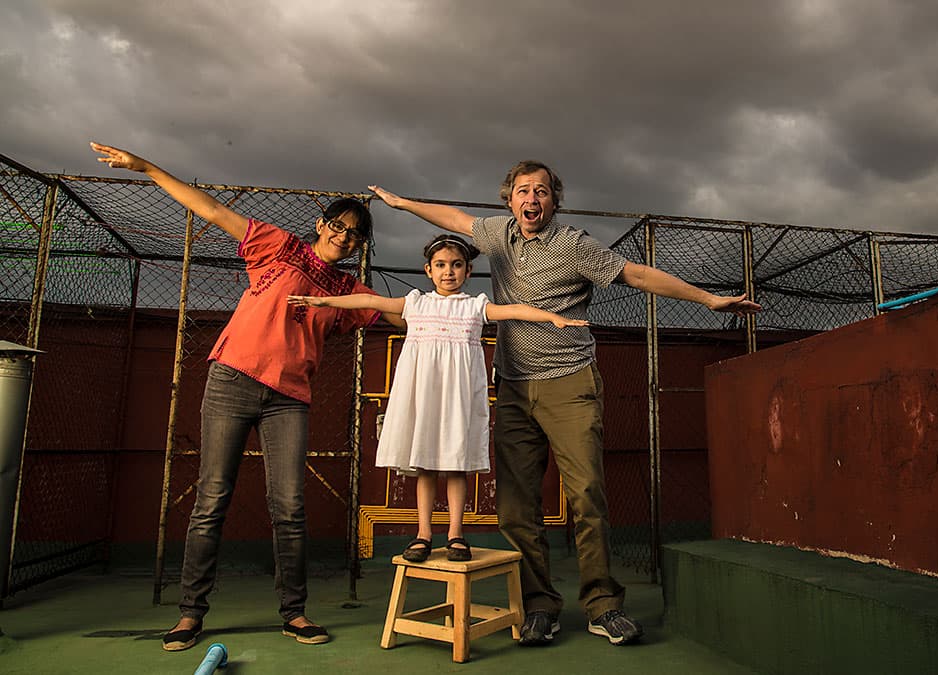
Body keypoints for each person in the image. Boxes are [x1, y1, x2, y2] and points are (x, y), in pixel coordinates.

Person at [366, 161, 762, 646]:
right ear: (509, 200)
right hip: (513, 387)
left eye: (542, 192)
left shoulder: (574, 245)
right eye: (522, 191)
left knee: (587, 494)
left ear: (554, 200)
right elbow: (452, 219)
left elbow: (635, 274)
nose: (531, 199)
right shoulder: (498, 236)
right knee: (515, 507)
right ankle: (539, 607)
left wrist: (707, 299)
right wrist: (403, 204)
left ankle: (602, 605)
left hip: (569, 383)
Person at [90, 142, 404, 652]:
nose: (344, 236)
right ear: (322, 225)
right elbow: (210, 210)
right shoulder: (278, 246)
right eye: (339, 226)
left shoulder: (348, 290)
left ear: (359, 245)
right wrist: (146, 167)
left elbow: (400, 316)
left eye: (355, 234)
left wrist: (452, 303)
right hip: (232, 381)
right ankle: (191, 614)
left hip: (289, 399)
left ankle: (294, 613)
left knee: (290, 506)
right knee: (211, 500)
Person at [287, 233, 587, 563]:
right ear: (428, 270)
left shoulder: (474, 307)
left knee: (457, 465)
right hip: (423, 398)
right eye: (441, 265)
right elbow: (369, 301)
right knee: (425, 466)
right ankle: (424, 534)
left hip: (458, 400)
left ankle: (456, 533)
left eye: (457, 265)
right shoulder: (416, 303)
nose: (449, 272)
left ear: (468, 271)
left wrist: (553, 317)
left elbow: (514, 309)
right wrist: (324, 301)